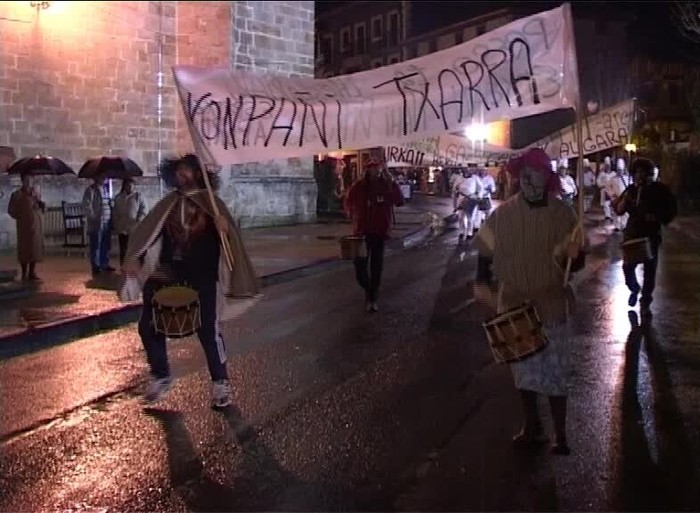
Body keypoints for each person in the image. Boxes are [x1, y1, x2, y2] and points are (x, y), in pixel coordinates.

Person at [122, 154, 259, 407]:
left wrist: (225, 229)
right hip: (169, 270)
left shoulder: (212, 204)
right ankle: (161, 375)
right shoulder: (168, 204)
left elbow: (231, 242)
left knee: (207, 329)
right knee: (148, 325)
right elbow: (147, 232)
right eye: (179, 170)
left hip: (202, 273)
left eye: (186, 170)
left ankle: (220, 382)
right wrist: (134, 258)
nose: (181, 174)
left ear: (198, 173)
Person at [473, 148, 585, 455]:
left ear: (546, 176)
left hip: (552, 304)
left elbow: (574, 264)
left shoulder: (564, 214)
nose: (527, 178)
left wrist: (576, 256)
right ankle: (533, 426)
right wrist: (482, 283)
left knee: (555, 372)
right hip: (515, 307)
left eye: (534, 171)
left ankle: (560, 434)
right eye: (523, 172)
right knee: (524, 373)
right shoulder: (503, 215)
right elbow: (485, 251)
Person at [613, 157, 677, 316]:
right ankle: (634, 288)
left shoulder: (660, 190)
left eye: (643, 172)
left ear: (649, 173)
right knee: (628, 267)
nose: (639, 175)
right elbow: (619, 210)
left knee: (650, 269)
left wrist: (656, 217)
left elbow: (670, 210)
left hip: (651, 235)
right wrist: (623, 201)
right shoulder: (631, 190)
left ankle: (645, 302)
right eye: (637, 172)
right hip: (632, 234)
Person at [345, 158, 404, 313]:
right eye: (372, 168)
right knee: (360, 266)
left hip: (379, 232)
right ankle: (368, 289)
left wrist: (393, 182)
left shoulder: (387, 185)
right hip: (361, 232)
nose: (375, 170)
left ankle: (372, 298)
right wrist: (352, 214)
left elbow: (399, 201)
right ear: (367, 170)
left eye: (378, 168)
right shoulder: (359, 186)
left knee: (376, 266)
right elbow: (349, 201)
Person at [7, 173, 45, 281]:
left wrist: (41, 205)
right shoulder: (17, 195)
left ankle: (32, 272)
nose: (29, 182)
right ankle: (24, 272)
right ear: (22, 181)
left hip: (35, 224)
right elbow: (11, 210)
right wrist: (21, 216)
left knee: (35, 248)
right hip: (24, 226)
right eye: (26, 180)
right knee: (24, 248)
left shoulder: (35, 194)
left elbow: (41, 208)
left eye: (30, 180)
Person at [82, 172, 114, 275]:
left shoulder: (106, 189)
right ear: (96, 178)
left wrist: (111, 204)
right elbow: (87, 205)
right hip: (97, 222)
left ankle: (104, 263)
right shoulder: (91, 190)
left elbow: (108, 202)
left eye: (105, 177)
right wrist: (93, 217)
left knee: (105, 243)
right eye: (102, 177)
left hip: (107, 220)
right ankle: (95, 265)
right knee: (96, 244)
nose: (104, 179)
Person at [112, 177, 147, 267]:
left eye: (132, 185)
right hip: (122, 227)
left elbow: (143, 209)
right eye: (128, 185)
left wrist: (139, 219)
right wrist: (116, 223)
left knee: (135, 248)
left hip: (134, 227)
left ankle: (136, 267)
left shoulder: (138, 196)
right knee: (123, 249)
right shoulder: (119, 197)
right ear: (124, 186)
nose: (130, 187)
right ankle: (124, 266)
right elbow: (115, 211)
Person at [452, 167, 482, 241]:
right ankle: (462, 231)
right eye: (465, 170)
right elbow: (454, 189)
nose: (467, 171)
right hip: (461, 198)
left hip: (471, 199)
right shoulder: (459, 178)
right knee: (460, 217)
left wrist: (478, 196)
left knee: (470, 217)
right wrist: (454, 201)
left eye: (468, 170)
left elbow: (480, 188)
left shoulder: (475, 178)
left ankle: (469, 232)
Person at [606, 159, 631, 232]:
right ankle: (617, 226)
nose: (620, 172)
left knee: (625, 213)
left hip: (624, 197)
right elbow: (608, 187)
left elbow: (630, 187)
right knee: (616, 212)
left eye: (621, 170)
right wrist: (612, 194)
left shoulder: (628, 178)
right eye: (618, 170)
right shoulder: (613, 179)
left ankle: (624, 225)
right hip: (616, 197)